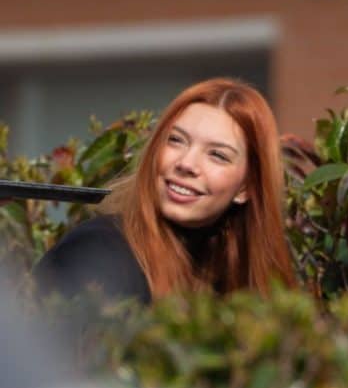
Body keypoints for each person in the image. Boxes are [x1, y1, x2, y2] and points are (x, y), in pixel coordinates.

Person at [35, 78, 296, 305]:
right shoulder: (98, 253)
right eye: (176, 140)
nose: (186, 163)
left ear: (246, 187)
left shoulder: (236, 276)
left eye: (217, 155)